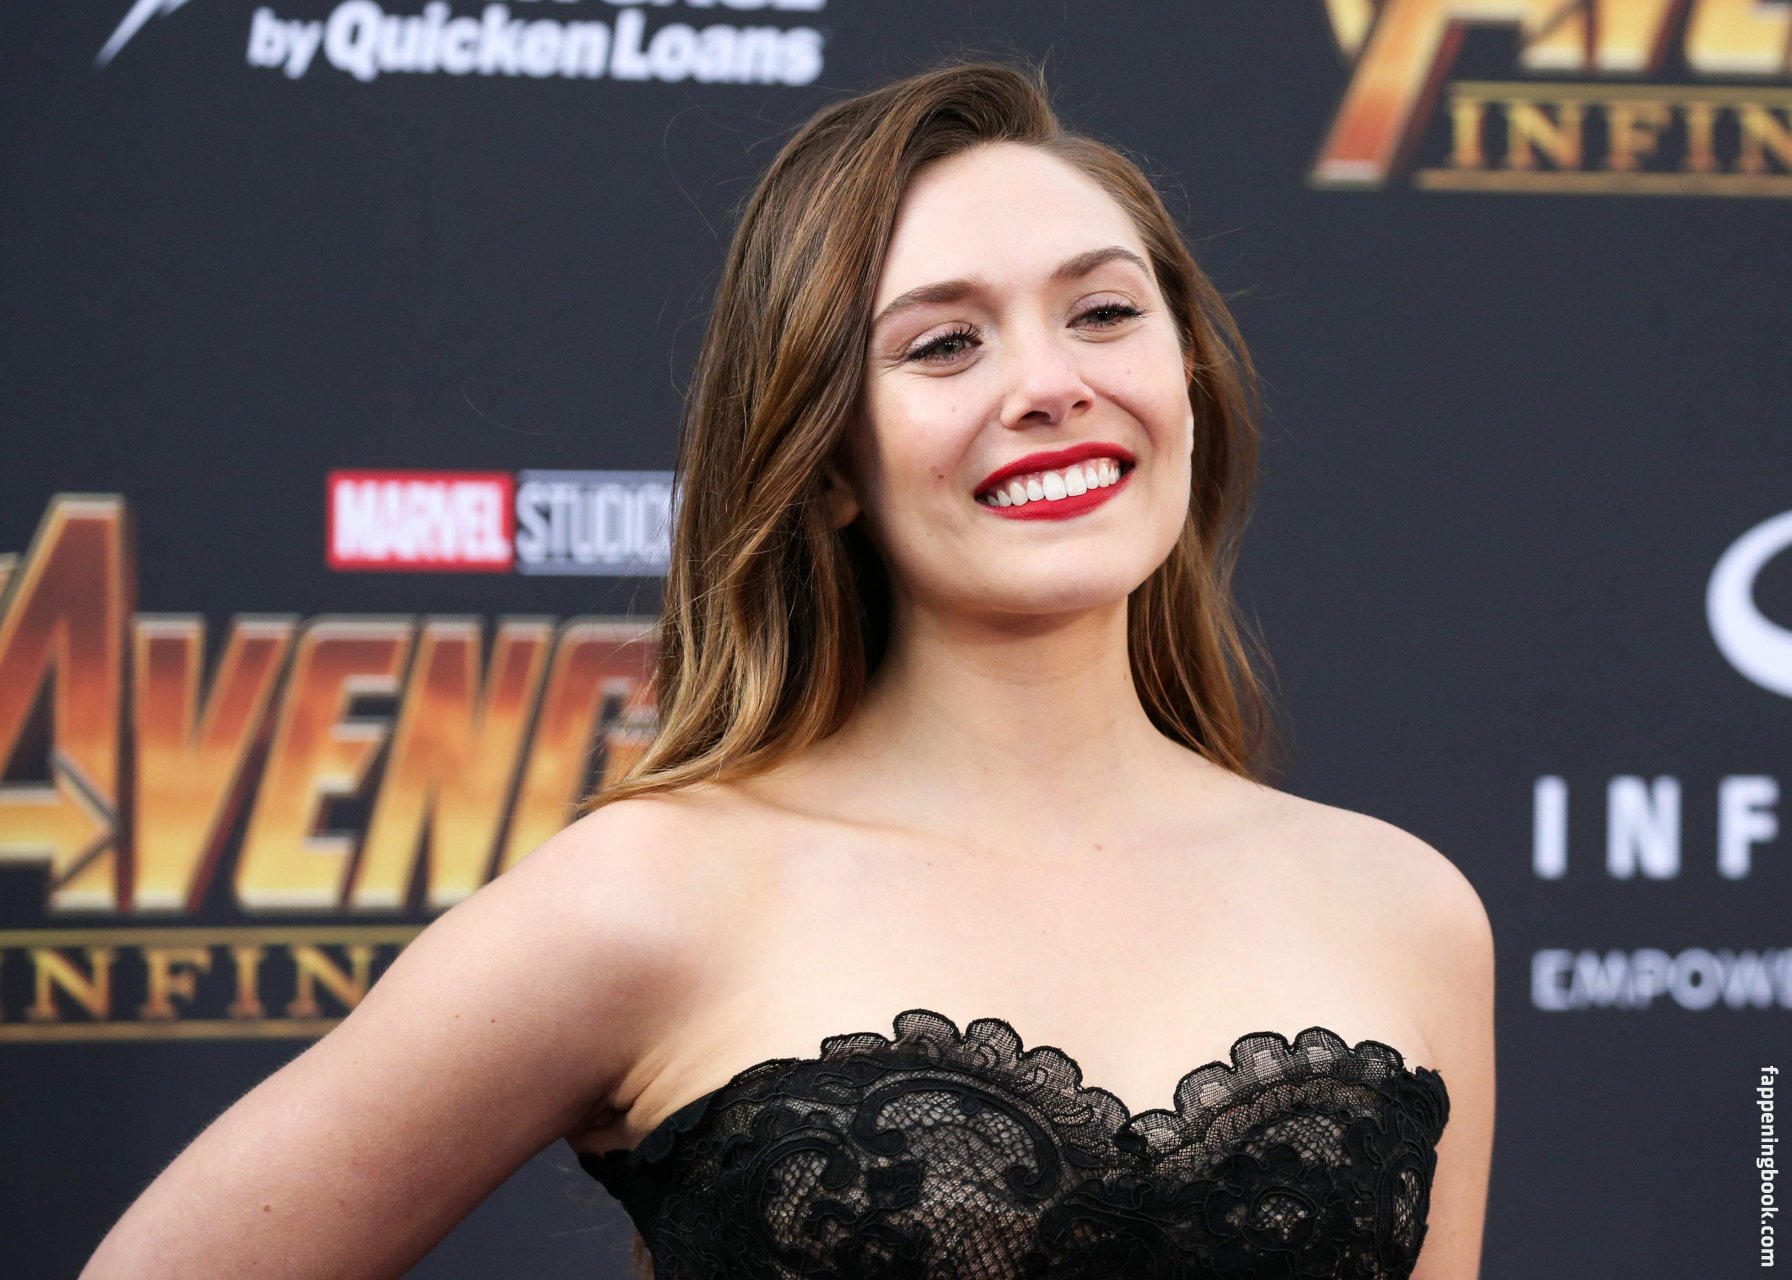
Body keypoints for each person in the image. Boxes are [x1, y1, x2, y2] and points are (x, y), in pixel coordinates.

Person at [82, 58, 1494, 1280]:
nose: (1051, 383)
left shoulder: (1404, 909)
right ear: (826, 465)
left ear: (1185, 376)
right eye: (945, 342)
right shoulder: (655, 891)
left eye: (1105, 312)